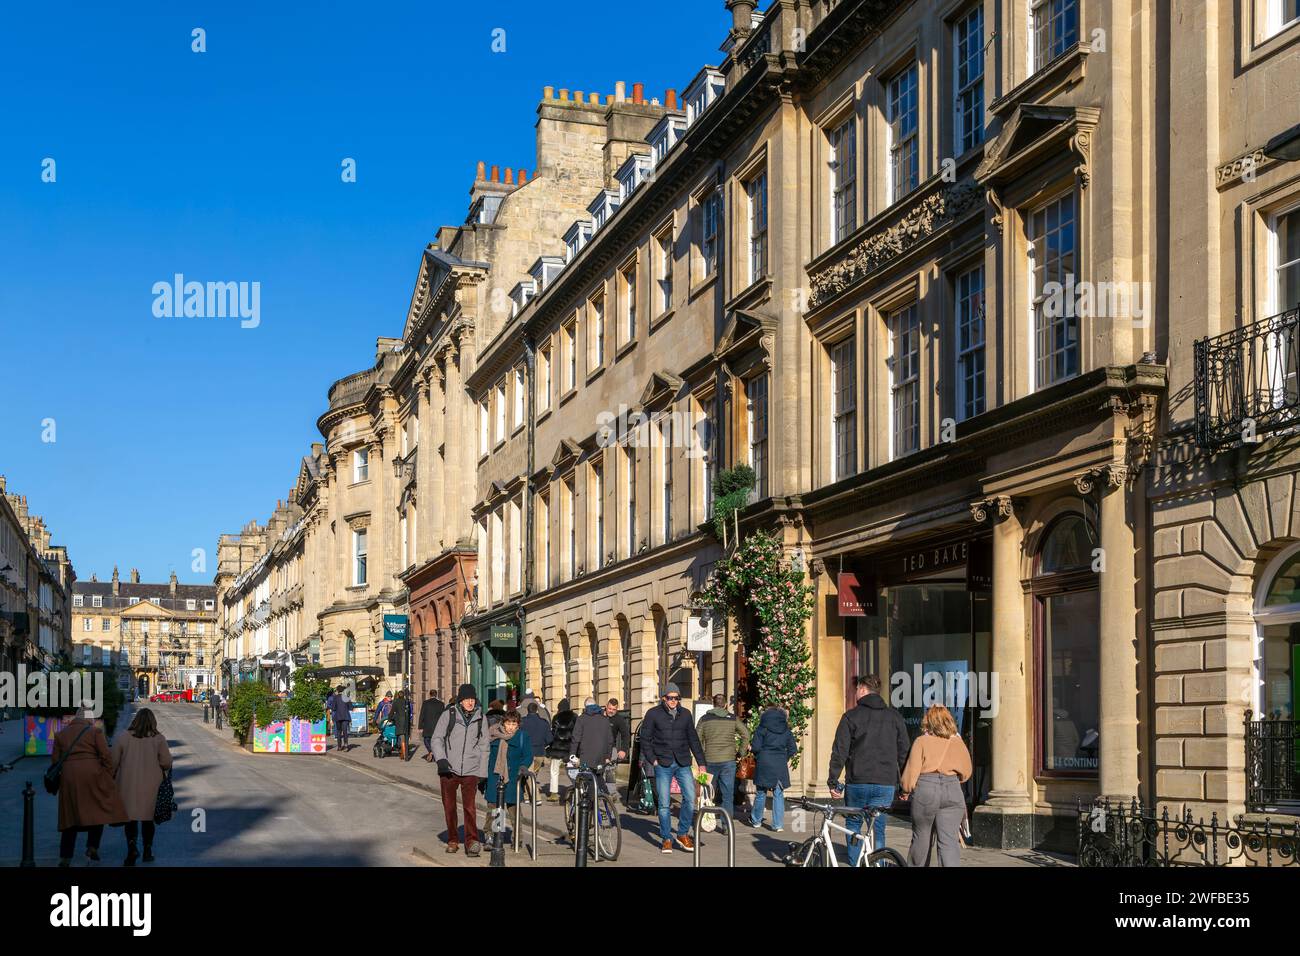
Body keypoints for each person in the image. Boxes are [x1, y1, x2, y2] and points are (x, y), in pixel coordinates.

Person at [827, 675, 910, 865]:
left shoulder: (851, 716)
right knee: (878, 828)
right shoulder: (894, 717)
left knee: (854, 824)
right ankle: (878, 863)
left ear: (863, 689)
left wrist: (833, 781)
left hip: (857, 782)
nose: (855, 692)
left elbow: (840, 751)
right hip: (885, 783)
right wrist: (905, 786)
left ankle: (856, 862)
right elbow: (904, 752)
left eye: (857, 689)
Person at [51, 701, 128, 866]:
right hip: (93, 775)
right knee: (97, 810)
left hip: (69, 777)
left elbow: (55, 761)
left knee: (69, 816)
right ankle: (92, 847)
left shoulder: (61, 734)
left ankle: (65, 857)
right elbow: (106, 756)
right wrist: (106, 774)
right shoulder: (95, 732)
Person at [901, 704, 973, 867]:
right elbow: (967, 771)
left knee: (922, 838)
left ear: (928, 722)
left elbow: (911, 773)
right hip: (953, 789)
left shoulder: (921, 741)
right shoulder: (957, 742)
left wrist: (906, 789)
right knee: (949, 842)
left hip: (927, 788)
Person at [639, 683, 706, 853]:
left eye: (676, 698)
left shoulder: (685, 714)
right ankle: (666, 838)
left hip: (683, 762)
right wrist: (653, 760)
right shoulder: (653, 714)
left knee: (690, 799)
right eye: (670, 698)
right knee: (663, 803)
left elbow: (694, 739)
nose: (673, 701)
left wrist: (702, 763)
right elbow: (645, 739)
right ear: (664, 698)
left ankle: (682, 833)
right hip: (663, 763)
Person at [431, 684, 491, 856]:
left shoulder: (481, 718)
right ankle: (452, 840)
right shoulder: (448, 714)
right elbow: (436, 739)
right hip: (449, 768)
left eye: (472, 699)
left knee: (470, 808)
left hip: (471, 769)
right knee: (449, 807)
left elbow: (484, 747)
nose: (470, 702)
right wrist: (441, 759)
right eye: (467, 699)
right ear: (460, 700)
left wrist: (482, 773)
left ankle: (471, 841)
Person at [111, 708, 174, 865]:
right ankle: (147, 850)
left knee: (130, 820)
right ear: (153, 721)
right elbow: (166, 762)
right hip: (151, 787)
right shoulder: (159, 739)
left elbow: (112, 763)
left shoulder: (123, 737)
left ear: (135, 720)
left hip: (127, 786)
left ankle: (132, 847)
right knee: (148, 820)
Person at [696, 694, 751, 819]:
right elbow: (746, 734)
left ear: (713, 705)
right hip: (728, 761)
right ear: (725, 705)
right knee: (727, 794)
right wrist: (740, 753)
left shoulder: (704, 719)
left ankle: (706, 820)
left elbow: (696, 739)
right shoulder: (732, 718)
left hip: (708, 761)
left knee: (706, 792)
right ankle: (726, 825)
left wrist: (702, 756)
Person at [749, 706, 797, 832]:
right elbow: (793, 749)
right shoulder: (786, 730)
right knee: (778, 793)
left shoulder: (762, 728)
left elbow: (755, 747)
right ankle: (778, 825)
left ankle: (756, 820)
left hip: (764, 761)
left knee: (761, 792)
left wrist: (760, 756)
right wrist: (783, 757)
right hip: (780, 763)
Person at [485, 709, 533, 833]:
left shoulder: (522, 736)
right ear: (503, 723)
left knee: (514, 809)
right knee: (495, 808)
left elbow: (528, 755)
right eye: (508, 723)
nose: (511, 727)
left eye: (514, 724)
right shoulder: (494, 734)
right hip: (495, 776)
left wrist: (523, 766)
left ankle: (517, 838)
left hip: (513, 777)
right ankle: (494, 835)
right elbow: (485, 754)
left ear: (518, 724)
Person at [570, 697, 615, 770]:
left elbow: (575, 738)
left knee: (586, 778)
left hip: (585, 756)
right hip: (601, 757)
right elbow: (610, 740)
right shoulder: (605, 719)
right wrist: (607, 757)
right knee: (599, 778)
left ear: (586, 707)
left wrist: (572, 754)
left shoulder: (581, 719)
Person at [545, 699, 577, 803]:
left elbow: (553, 733)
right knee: (572, 771)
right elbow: (576, 733)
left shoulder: (556, 717)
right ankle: (576, 789)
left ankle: (554, 793)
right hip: (569, 749)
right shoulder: (574, 717)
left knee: (554, 770)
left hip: (557, 748)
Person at [520, 702, 553, 788]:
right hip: (539, 752)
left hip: (526, 752)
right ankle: (531, 796)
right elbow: (549, 739)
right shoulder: (544, 723)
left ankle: (530, 796)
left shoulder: (522, 722)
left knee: (528, 775)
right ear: (537, 710)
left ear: (527, 710)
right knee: (532, 775)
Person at [418, 691, 446, 762]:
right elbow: (444, 716)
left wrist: (420, 726)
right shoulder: (441, 704)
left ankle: (430, 751)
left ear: (430, 695)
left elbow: (422, 714)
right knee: (436, 741)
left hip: (427, 725)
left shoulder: (425, 703)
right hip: (437, 726)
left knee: (426, 739)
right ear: (436, 695)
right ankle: (433, 752)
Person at [329, 687, 352, 752]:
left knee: (339, 731)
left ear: (338, 691)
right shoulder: (347, 697)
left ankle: (339, 746)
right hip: (345, 716)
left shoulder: (335, 698)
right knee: (345, 731)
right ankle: (346, 746)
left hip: (338, 716)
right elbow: (350, 707)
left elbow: (333, 708)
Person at [391, 690, 412, 761]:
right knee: (405, 737)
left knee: (401, 737)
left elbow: (392, 711)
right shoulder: (407, 702)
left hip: (399, 722)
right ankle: (404, 752)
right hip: (406, 721)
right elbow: (410, 711)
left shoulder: (396, 702)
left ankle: (404, 753)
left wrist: (389, 718)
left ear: (398, 695)